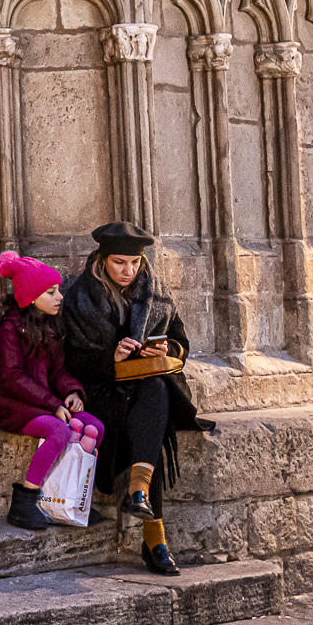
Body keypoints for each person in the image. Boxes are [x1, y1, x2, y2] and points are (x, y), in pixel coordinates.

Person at [60, 221, 214, 575]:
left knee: (155, 393)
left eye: (134, 263)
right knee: (151, 427)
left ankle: (140, 497)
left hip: (148, 384)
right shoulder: (79, 298)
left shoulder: (156, 291)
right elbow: (71, 360)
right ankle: (154, 538)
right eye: (119, 263)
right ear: (102, 260)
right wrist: (110, 358)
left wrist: (165, 346)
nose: (128, 271)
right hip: (103, 390)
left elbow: (181, 343)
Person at [0, 251, 104, 531]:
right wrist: (52, 404)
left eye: (59, 290)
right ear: (30, 297)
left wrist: (72, 393)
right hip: (15, 407)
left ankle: (71, 498)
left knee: (95, 426)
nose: (60, 296)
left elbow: (58, 373)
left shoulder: (51, 327)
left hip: (45, 404)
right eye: (51, 292)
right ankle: (24, 502)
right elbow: (10, 378)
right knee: (60, 431)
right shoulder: (8, 332)